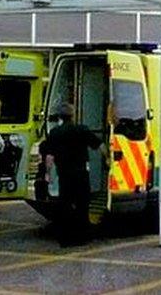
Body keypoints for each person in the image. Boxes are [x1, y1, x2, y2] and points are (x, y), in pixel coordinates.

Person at [41, 103, 103, 247]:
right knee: (83, 206)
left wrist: (48, 174)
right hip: (81, 174)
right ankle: (82, 237)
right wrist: (107, 159)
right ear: (73, 115)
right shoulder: (81, 130)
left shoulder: (55, 133)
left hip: (65, 176)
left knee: (65, 206)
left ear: (59, 117)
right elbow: (100, 145)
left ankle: (66, 239)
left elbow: (49, 158)